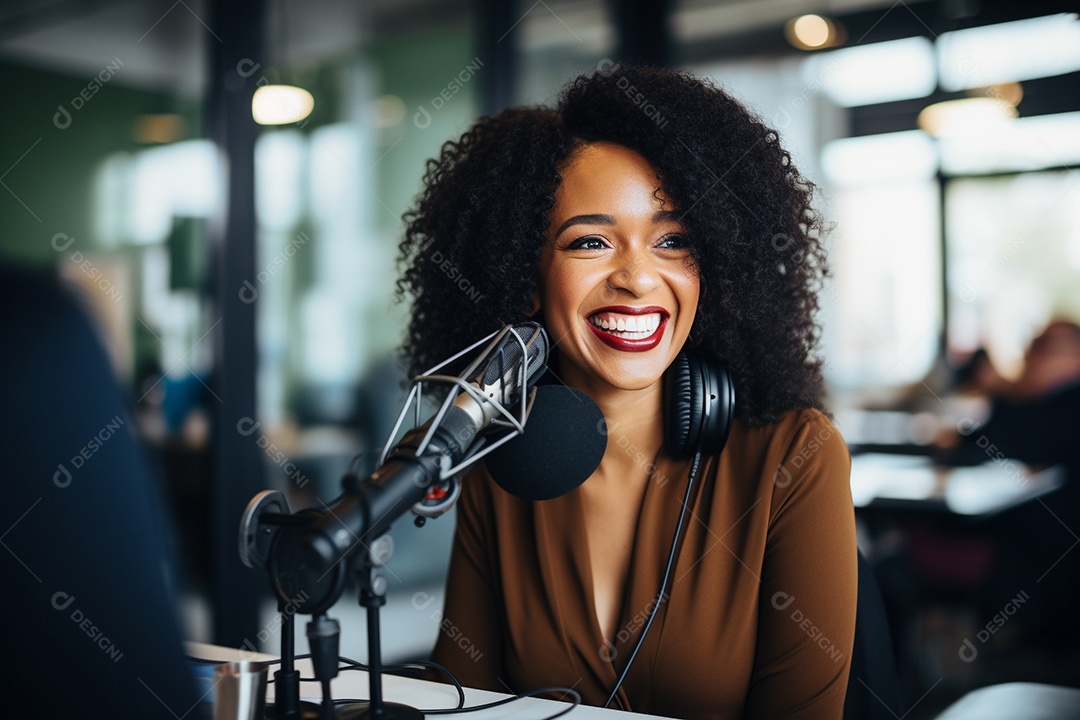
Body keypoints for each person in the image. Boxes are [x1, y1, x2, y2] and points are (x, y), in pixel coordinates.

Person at [397, 66, 857, 718]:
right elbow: (465, 700)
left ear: (718, 267)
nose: (638, 278)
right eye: (591, 240)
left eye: (674, 241)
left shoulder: (795, 455)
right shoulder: (506, 458)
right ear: (525, 276)